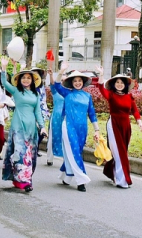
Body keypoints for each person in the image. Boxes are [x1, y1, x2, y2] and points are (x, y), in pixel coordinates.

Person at [0, 57, 46, 192]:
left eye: (28, 78)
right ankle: (25, 182)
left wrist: (42, 127)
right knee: (20, 153)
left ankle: (21, 180)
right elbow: (4, 83)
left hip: (32, 129)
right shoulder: (16, 91)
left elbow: (38, 112)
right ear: (20, 80)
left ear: (33, 80)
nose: (26, 80)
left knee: (29, 155)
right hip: (18, 127)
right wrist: (4, 68)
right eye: (23, 78)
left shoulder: (35, 95)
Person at [52, 62, 99, 192]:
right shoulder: (67, 93)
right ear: (71, 82)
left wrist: (97, 130)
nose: (77, 83)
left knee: (75, 152)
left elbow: (92, 114)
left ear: (83, 82)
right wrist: (61, 71)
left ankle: (65, 176)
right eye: (75, 81)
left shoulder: (87, 96)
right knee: (74, 151)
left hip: (82, 129)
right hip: (68, 126)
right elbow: (56, 85)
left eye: (79, 81)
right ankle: (81, 180)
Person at [95, 65, 142, 188]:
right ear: (113, 84)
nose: (119, 84)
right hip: (113, 124)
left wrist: (140, 122)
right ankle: (122, 180)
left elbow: (135, 110)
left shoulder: (129, 97)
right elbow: (101, 88)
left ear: (125, 85)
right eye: (117, 82)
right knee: (118, 152)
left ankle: (110, 171)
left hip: (126, 126)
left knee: (123, 152)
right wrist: (101, 74)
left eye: (122, 82)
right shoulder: (111, 95)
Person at [46, 69, 65, 166]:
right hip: (56, 117)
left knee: (65, 138)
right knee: (52, 136)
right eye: (62, 81)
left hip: (66, 118)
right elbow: (53, 84)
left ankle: (65, 159)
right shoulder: (55, 93)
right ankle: (50, 158)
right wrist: (51, 75)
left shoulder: (69, 94)